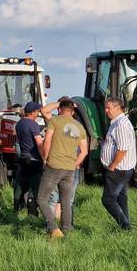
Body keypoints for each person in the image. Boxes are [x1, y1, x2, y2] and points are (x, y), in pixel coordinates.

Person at [36, 99, 88, 238]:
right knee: (65, 201)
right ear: (73, 111)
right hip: (70, 168)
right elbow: (84, 151)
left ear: (59, 109)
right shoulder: (79, 127)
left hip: (54, 165)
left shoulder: (55, 121)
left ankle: (54, 229)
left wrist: (45, 158)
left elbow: (47, 141)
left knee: (41, 198)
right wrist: (75, 164)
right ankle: (68, 230)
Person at [100, 97, 137, 230]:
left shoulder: (120, 124)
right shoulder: (117, 122)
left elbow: (122, 149)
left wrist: (112, 166)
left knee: (108, 200)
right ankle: (126, 227)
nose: (106, 110)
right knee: (121, 198)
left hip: (119, 169)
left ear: (117, 108)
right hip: (123, 168)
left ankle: (126, 226)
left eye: (108, 107)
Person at [14, 102, 45, 216]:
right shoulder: (33, 125)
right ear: (32, 112)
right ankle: (32, 213)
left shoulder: (19, 124)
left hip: (23, 158)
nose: (38, 114)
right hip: (34, 159)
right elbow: (39, 144)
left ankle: (16, 208)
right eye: (37, 112)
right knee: (34, 186)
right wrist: (43, 158)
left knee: (21, 184)